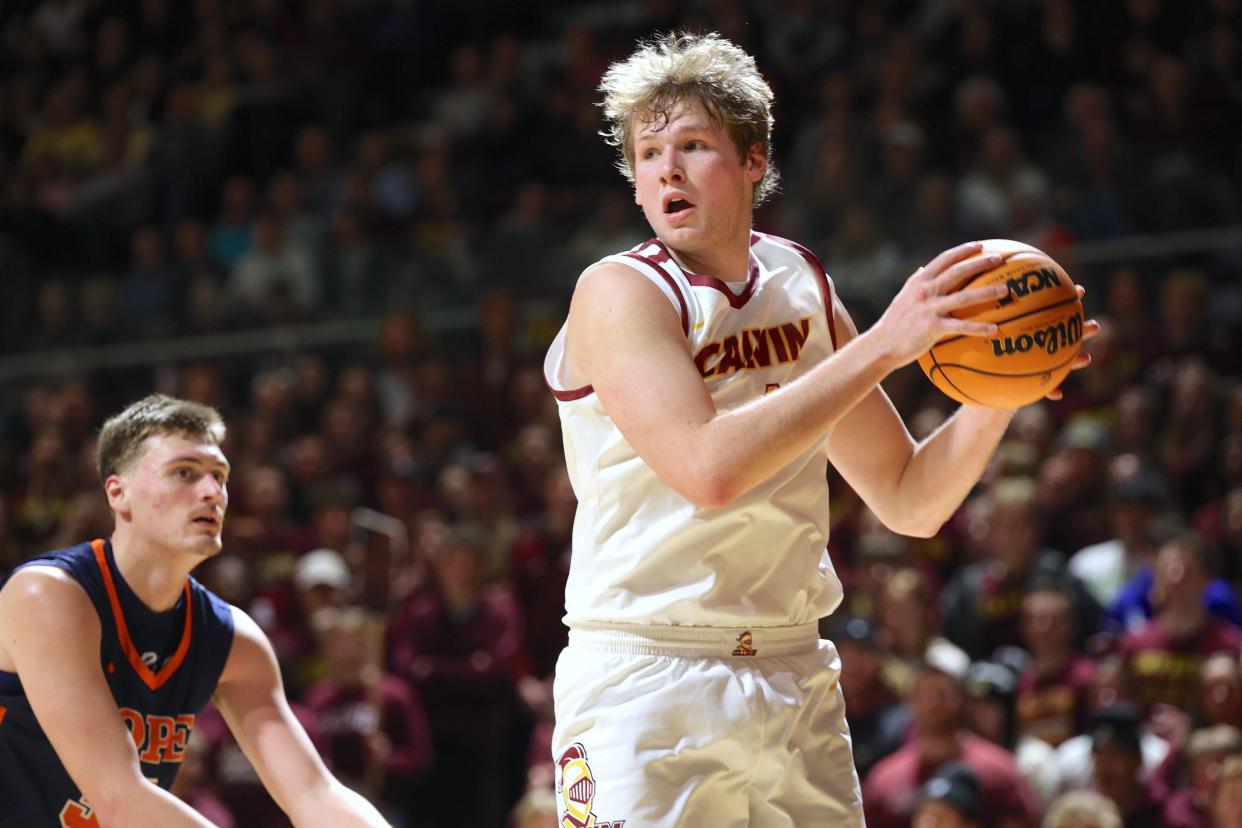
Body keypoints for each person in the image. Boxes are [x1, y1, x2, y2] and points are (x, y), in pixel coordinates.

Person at [543, 31, 1095, 826]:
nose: (665, 167)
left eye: (693, 145)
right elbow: (707, 468)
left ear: (754, 162)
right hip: (649, 679)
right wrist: (882, 346)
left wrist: (1005, 384)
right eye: (647, 151)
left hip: (793, 669)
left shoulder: (798, 281)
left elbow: (909, 498)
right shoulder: (620, 292)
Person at [0, 394, 389, 827]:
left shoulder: (232, 640)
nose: (212, 493)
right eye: (184, 472)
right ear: (118, 492)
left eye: (219, 476)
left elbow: (315, 794)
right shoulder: (46, 595)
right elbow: (118, 798)